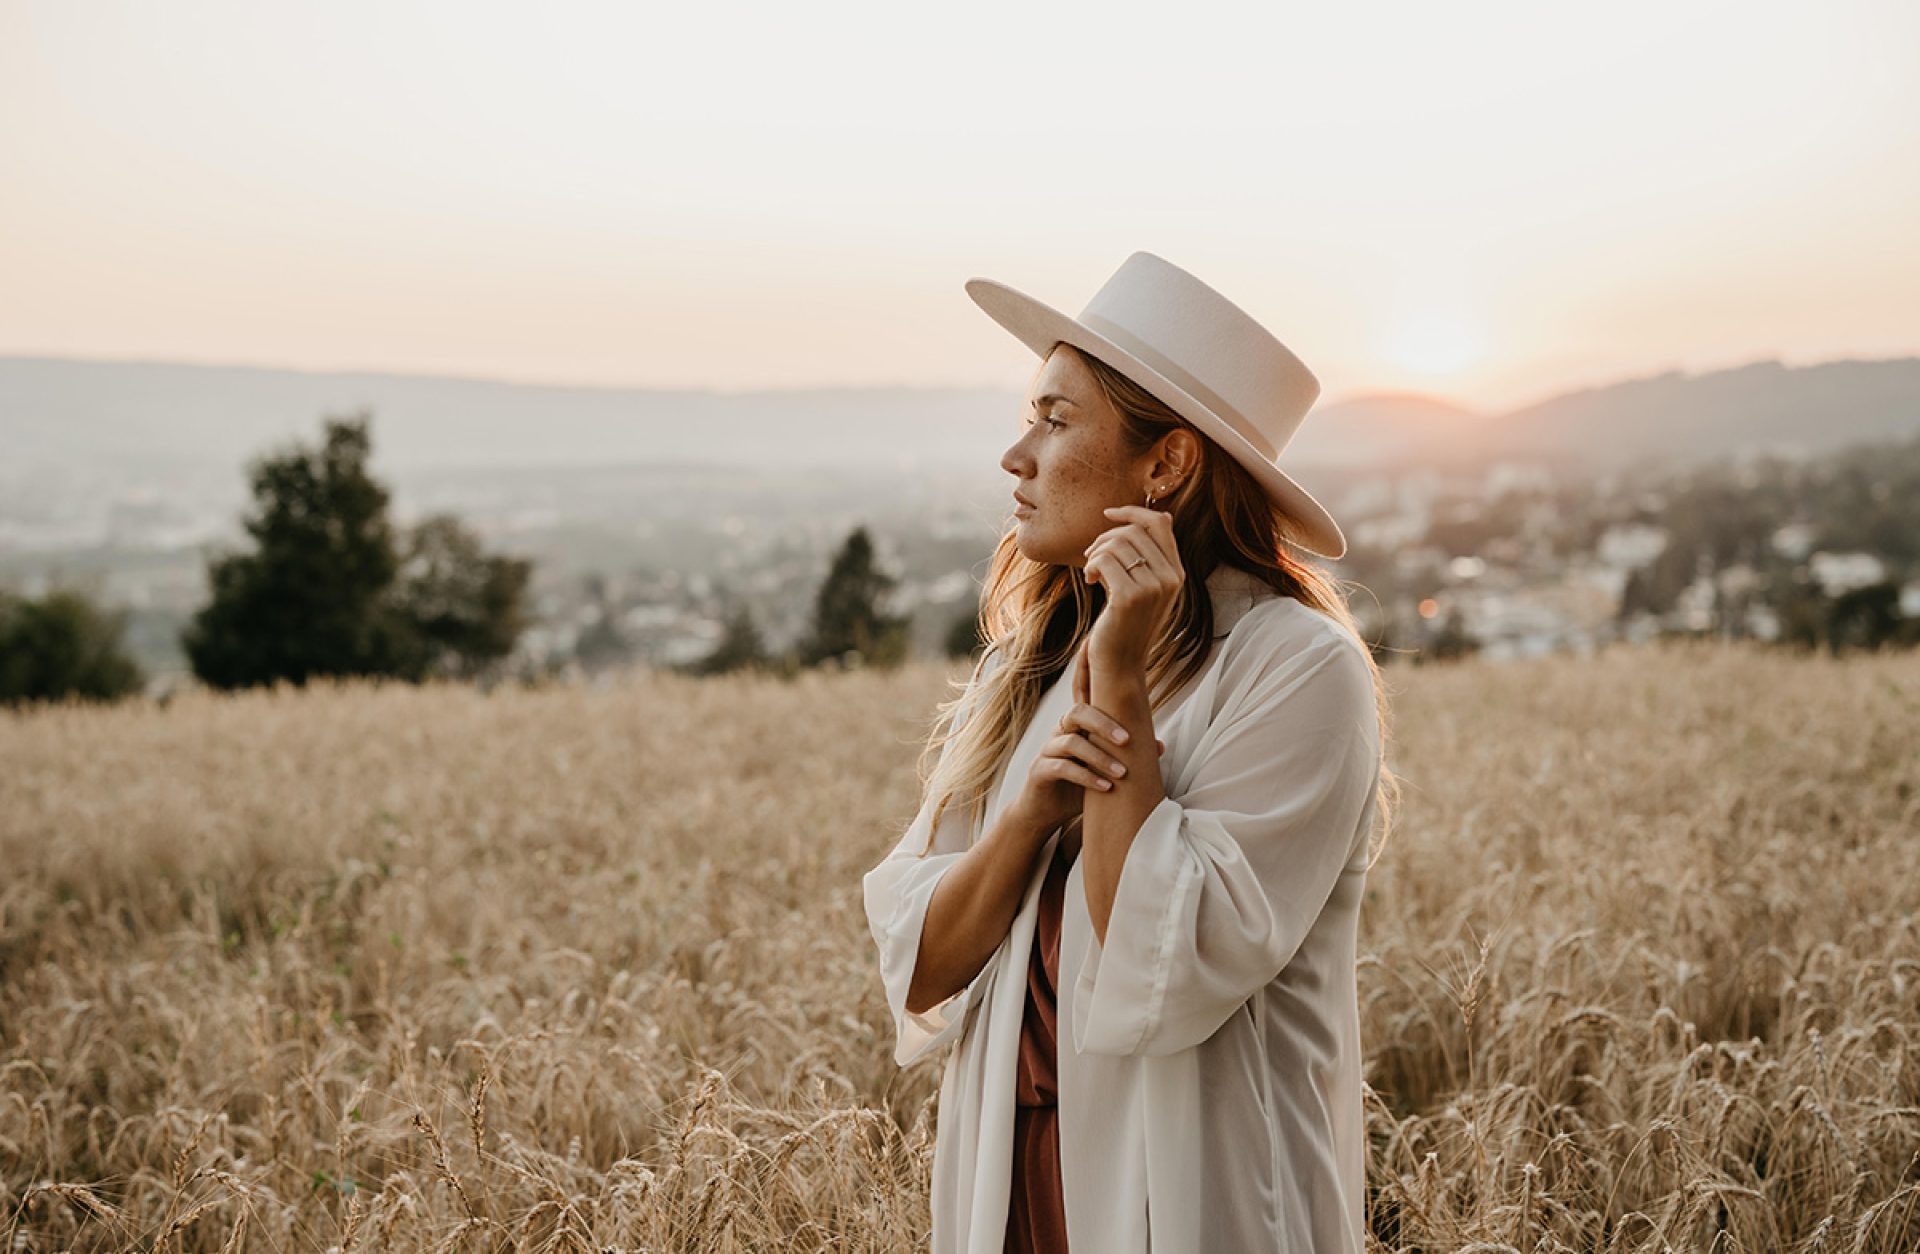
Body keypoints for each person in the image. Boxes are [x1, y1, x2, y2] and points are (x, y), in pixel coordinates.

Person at [863, 251, 1400, 1253]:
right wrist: (1026, 817)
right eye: (1029, 416)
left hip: (1199, 1193)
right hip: (1009, 1189)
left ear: (1167, 465)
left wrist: (1123, 678)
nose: (1015, 457)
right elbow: (926, 966)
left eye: (1056, 421)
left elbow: (1169, 959)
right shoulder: (1024, 667)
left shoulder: (1297, 667)